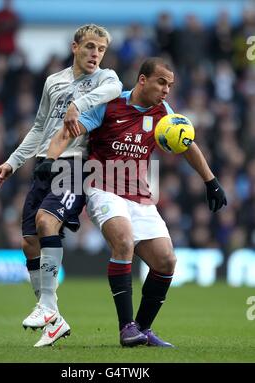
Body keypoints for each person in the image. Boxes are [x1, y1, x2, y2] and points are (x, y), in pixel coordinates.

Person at [36, 57, 227, 347]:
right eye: (161, 82)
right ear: (142, 80)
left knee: (166, 261)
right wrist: (49, 159)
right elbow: (70, 130)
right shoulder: (111, 104)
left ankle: (143, 329)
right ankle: (126, 327)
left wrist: (210, 181)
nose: (166, 90)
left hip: (139, 195)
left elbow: (187, 144)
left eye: (170, 85)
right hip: (103, 187)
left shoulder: (164, 112)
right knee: (123, 241)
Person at [0, 24, 123, 347]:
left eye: (101, 49)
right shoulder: (53, 81)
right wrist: (11, 162)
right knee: (28, 242)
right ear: (75, 46)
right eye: (90, 47)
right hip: (43, 164)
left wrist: (80, 104)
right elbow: (38, 128)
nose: (95, 54)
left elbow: (115, 89)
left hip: (75, 163)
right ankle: (54, 318)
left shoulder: (105, 78)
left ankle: (47, 305)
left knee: (46, 221)